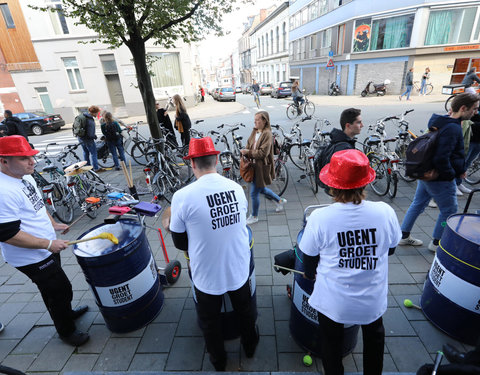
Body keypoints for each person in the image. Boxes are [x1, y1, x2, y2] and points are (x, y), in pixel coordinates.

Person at [301, 149, 401, 375]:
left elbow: (308, 256)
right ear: (365, 183)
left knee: (331, 342)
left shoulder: (320, 218)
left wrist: (309, 273)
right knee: (375, 338)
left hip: (334, 301)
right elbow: (391, 249)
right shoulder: (384, 212)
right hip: (371, 299)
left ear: (332, 186)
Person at [168, 137, 259, 371]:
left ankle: (219, 360)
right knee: (245, 310)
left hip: (206, 273)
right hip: (238, 266)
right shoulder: (236, 188)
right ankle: (250, 346)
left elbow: (180, 242)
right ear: (216, 160)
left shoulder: (183, 196)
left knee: (210, 321)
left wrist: (172, 222)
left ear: (192, 164)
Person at [0, 135, 89, 346]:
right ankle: (66, 331)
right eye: (24, 158)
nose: (32, 162)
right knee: (59, 290)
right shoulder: (3, 191)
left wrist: (54, 225)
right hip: (31, 256)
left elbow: (38, 206)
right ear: (3, 160)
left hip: (45, 247)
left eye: (31, 156)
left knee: (56, 289)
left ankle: (65, 314)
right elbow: (7, 234)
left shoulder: (26, 176)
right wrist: (48, 244)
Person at [399, 93, 478, 251]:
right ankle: (437, 242)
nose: (475, 112)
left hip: (425, 172)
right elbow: (442, 157)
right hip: (439, 178)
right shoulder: (452, 128)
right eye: (474, 109)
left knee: (418, 203)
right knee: (449, 211)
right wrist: (451, 175)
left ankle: (404, 235)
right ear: (463, 108)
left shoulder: (441, 121)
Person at [241, 111, 287, 225]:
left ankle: (254, 216)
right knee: (260, 189)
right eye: (254, 119)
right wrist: (246, 151)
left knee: (253, 193)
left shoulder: (267, 134)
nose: (255, 122)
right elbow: (248, 144)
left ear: (264, 121)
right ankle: (279, 200)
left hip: (261, 168)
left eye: (258, 120)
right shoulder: (255, 131)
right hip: (254, 166)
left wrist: (248, 152)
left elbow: (263, 153)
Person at [315, 108, 363, 192]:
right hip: (342, 195)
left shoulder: (338, 142)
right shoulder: (344, 149)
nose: (362, 125)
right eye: (358, 122)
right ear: (348, 125)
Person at [78, 105, 103, 172]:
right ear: (94, 113)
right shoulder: (90, 120)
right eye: (97, 112)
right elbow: (90, 134)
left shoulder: (83, 116)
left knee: (85, 152)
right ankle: (96, 168)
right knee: (93, 153)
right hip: (88, 139)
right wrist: (94, 136)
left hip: (81, 138)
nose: (98, 114)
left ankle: (87, 167)